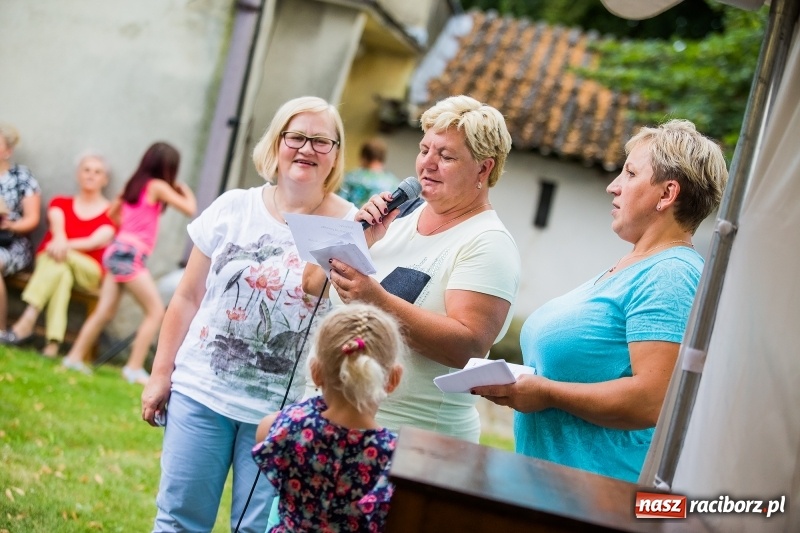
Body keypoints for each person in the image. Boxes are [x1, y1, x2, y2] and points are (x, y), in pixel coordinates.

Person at [139, 96, 358, 533]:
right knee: (180, 520)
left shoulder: (351, 223)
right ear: (277, 143)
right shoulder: (233, 207)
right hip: (201, 393)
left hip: (286, 412)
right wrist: (161, 373)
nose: (307, 149)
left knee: (258, 529)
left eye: (321, 140)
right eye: (296, 137)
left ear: (335, 153)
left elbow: (352, 315)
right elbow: (186, 297)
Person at [473, 119, 729, 483]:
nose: (613, 187)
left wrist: (545, 392)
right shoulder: (635, 266)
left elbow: (651, 400)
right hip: (552, 491)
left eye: (629, 173)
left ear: (667, 193)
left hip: (600, 496)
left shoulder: (669, 275)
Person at [305, 95, 521, 443]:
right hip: (326, 421)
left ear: (484, 168)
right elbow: (312, 284)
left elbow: (468, 347)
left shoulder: (488, 242)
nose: (427, 165)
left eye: (446, 156)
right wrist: (359, 240)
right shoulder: (395, 216)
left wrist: (377, 301)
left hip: (410, 441)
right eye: (424, 150)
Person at [252, 302, 404, 532]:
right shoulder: (393, 456)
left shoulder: (284, 427)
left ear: (316, 372)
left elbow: (265, 433)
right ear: (393, 378)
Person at [61, 142, 196, 382]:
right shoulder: (158, 186)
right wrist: (183, 188)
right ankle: (133, 368)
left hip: (116, 249)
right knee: (155, 312)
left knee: (105, 310)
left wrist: (128, 226)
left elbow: (112, 214)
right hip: (130, 254)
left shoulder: (132, 185)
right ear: (168, 167)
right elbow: (189, 208)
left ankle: (73, 357)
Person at [0, 153, 115, 357]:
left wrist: (62, 245)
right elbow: (58, 227)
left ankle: (27, 320)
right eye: (86, 170)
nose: (91, 176)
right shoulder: (60, 203)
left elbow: (94, 241)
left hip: (87, 270)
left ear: (105, 180)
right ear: (78, 174)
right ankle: (53, 345)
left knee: (58, 258)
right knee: (61, 273)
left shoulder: (112, 212)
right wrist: (61, 243)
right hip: (55, 262)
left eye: (97, 172)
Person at [0, 123, 41, 334]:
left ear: (8, 150)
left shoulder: (21, 177)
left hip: (12, 242)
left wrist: (10, 225)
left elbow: (32, 219)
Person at [339, 137, 400, 207]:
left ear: (364, 158)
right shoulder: (394, 184)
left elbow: (339, 204)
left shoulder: (351, 178)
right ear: (383, 159)